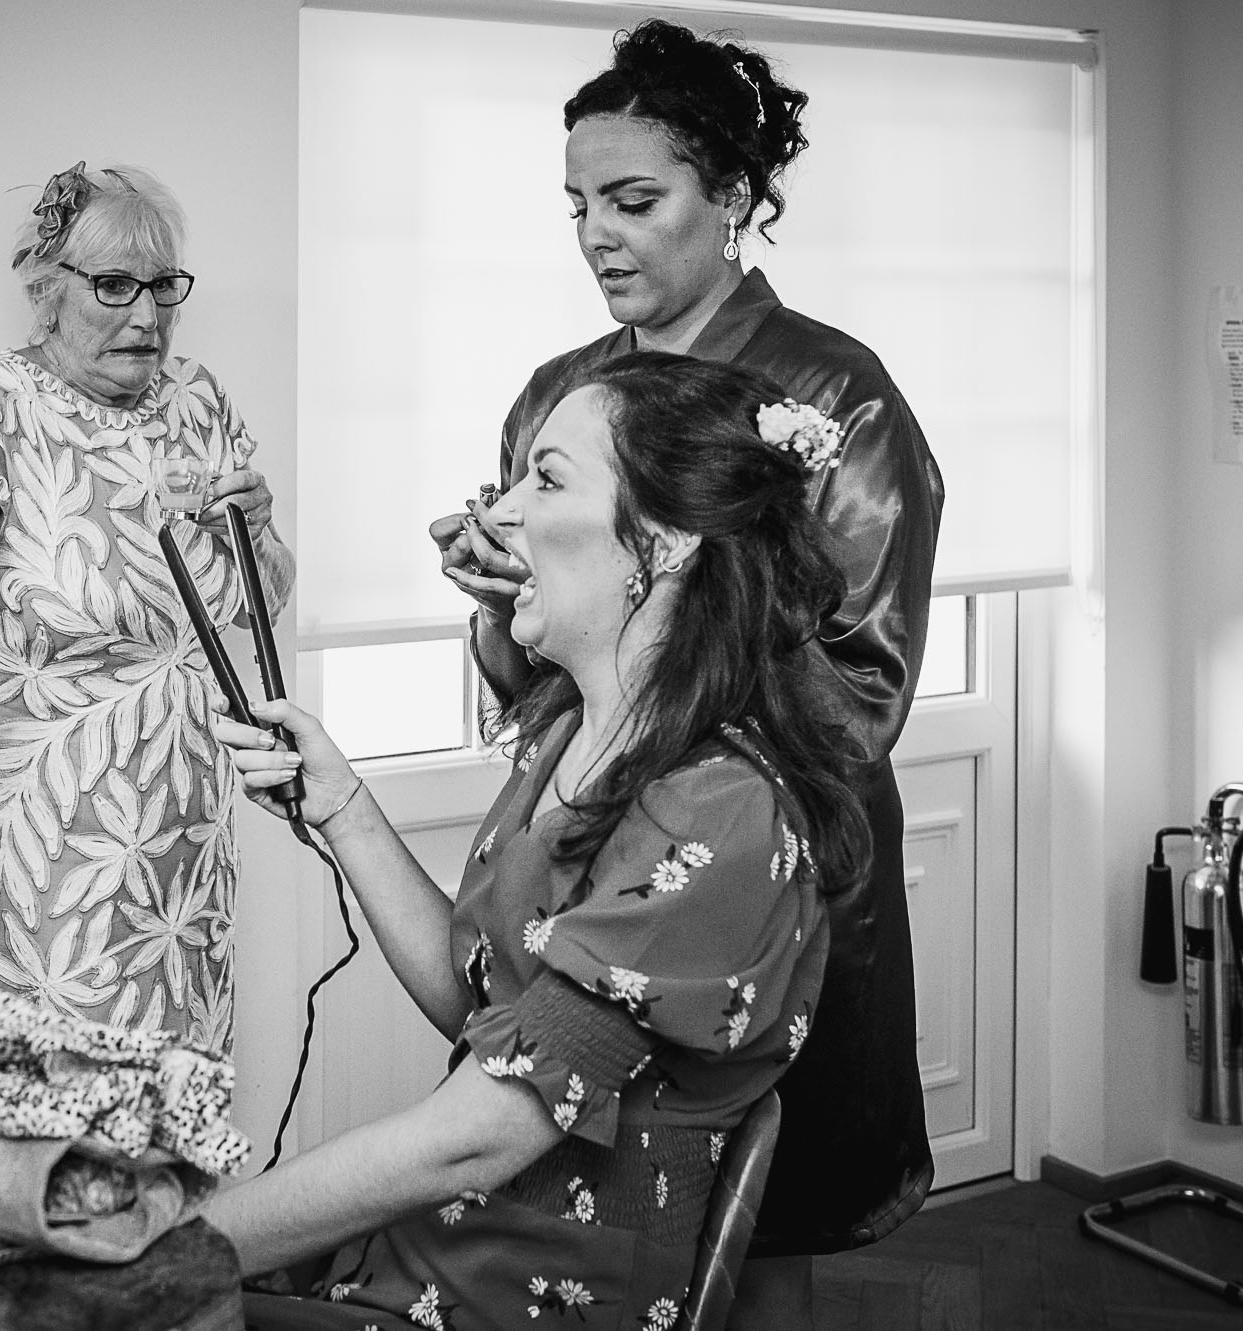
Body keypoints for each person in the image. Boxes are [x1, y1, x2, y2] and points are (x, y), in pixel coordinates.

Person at [430, 21, 944, 1319]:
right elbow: (538, 681)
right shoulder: (561, 393)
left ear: (732, 197)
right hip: (583, 858)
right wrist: (504, 607)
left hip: (756, 868)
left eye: (633, 200)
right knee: (556, 1203)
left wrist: (659, 703)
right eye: (578, 206)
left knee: (753, 1236)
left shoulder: (836, 395)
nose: (597, 235)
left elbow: (858, 692)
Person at [211, 352, 872, 1331]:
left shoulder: (719, 811)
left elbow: (475, 1137)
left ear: (665, 542)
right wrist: (342, 806)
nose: (500, 511)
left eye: (547, 479)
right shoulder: (571, 732)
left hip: (524, 1296)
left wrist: (180, 1244)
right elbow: (485, 1010)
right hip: (439, 1246)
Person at [0, 162, 294, 1053]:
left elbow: (264, 602)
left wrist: (259, 530)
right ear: (47, 292)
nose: (148, 316)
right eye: (115, 285)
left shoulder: (199, 403)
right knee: (48, 1111)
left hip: (184, 866)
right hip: (36, 860)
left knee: (171, 1110)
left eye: (163, 286)